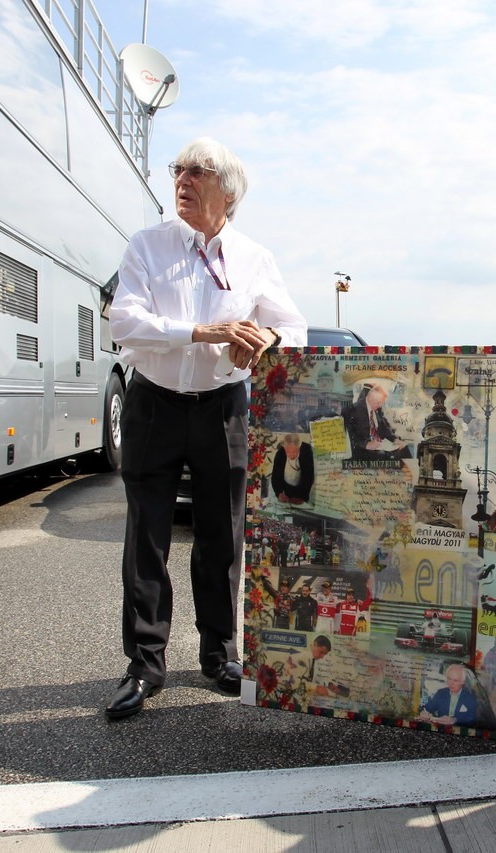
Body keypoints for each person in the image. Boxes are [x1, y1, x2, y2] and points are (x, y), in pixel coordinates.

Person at [104, 137, 306, 719]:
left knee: (222, 536)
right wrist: (207, 332)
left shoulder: (254, 257)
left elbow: (292, 327)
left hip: (222, 407)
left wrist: (265, 338)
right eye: (179, 169)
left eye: (198, 171)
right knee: (147, 537)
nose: (183, 180)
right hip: (153, 403)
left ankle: (219, 656)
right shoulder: (148, 246)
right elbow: (126, 322)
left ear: (229, 191)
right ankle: (145, 665)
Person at [343, 378, 410, 461]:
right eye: (378, 403)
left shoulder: (377, 409)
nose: (380, 405)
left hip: (380, 445)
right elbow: (350, 435)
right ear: (370, 399)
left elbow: (385, 429)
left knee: (404, 449)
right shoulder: (352, 410)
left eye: (381, 403)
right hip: (363, 450)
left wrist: (395, 439)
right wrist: (366, 444)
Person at [271, 434, 314, 504]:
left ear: (299, 447)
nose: (291, 455)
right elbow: (275, 477)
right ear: (284, 448)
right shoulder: (280, 453)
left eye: (294, 452)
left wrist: (302, 497)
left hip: (302, 488)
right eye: (288, 452)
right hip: (286, 487)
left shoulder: (306, 451)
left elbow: (309, 476)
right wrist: (279, 493)